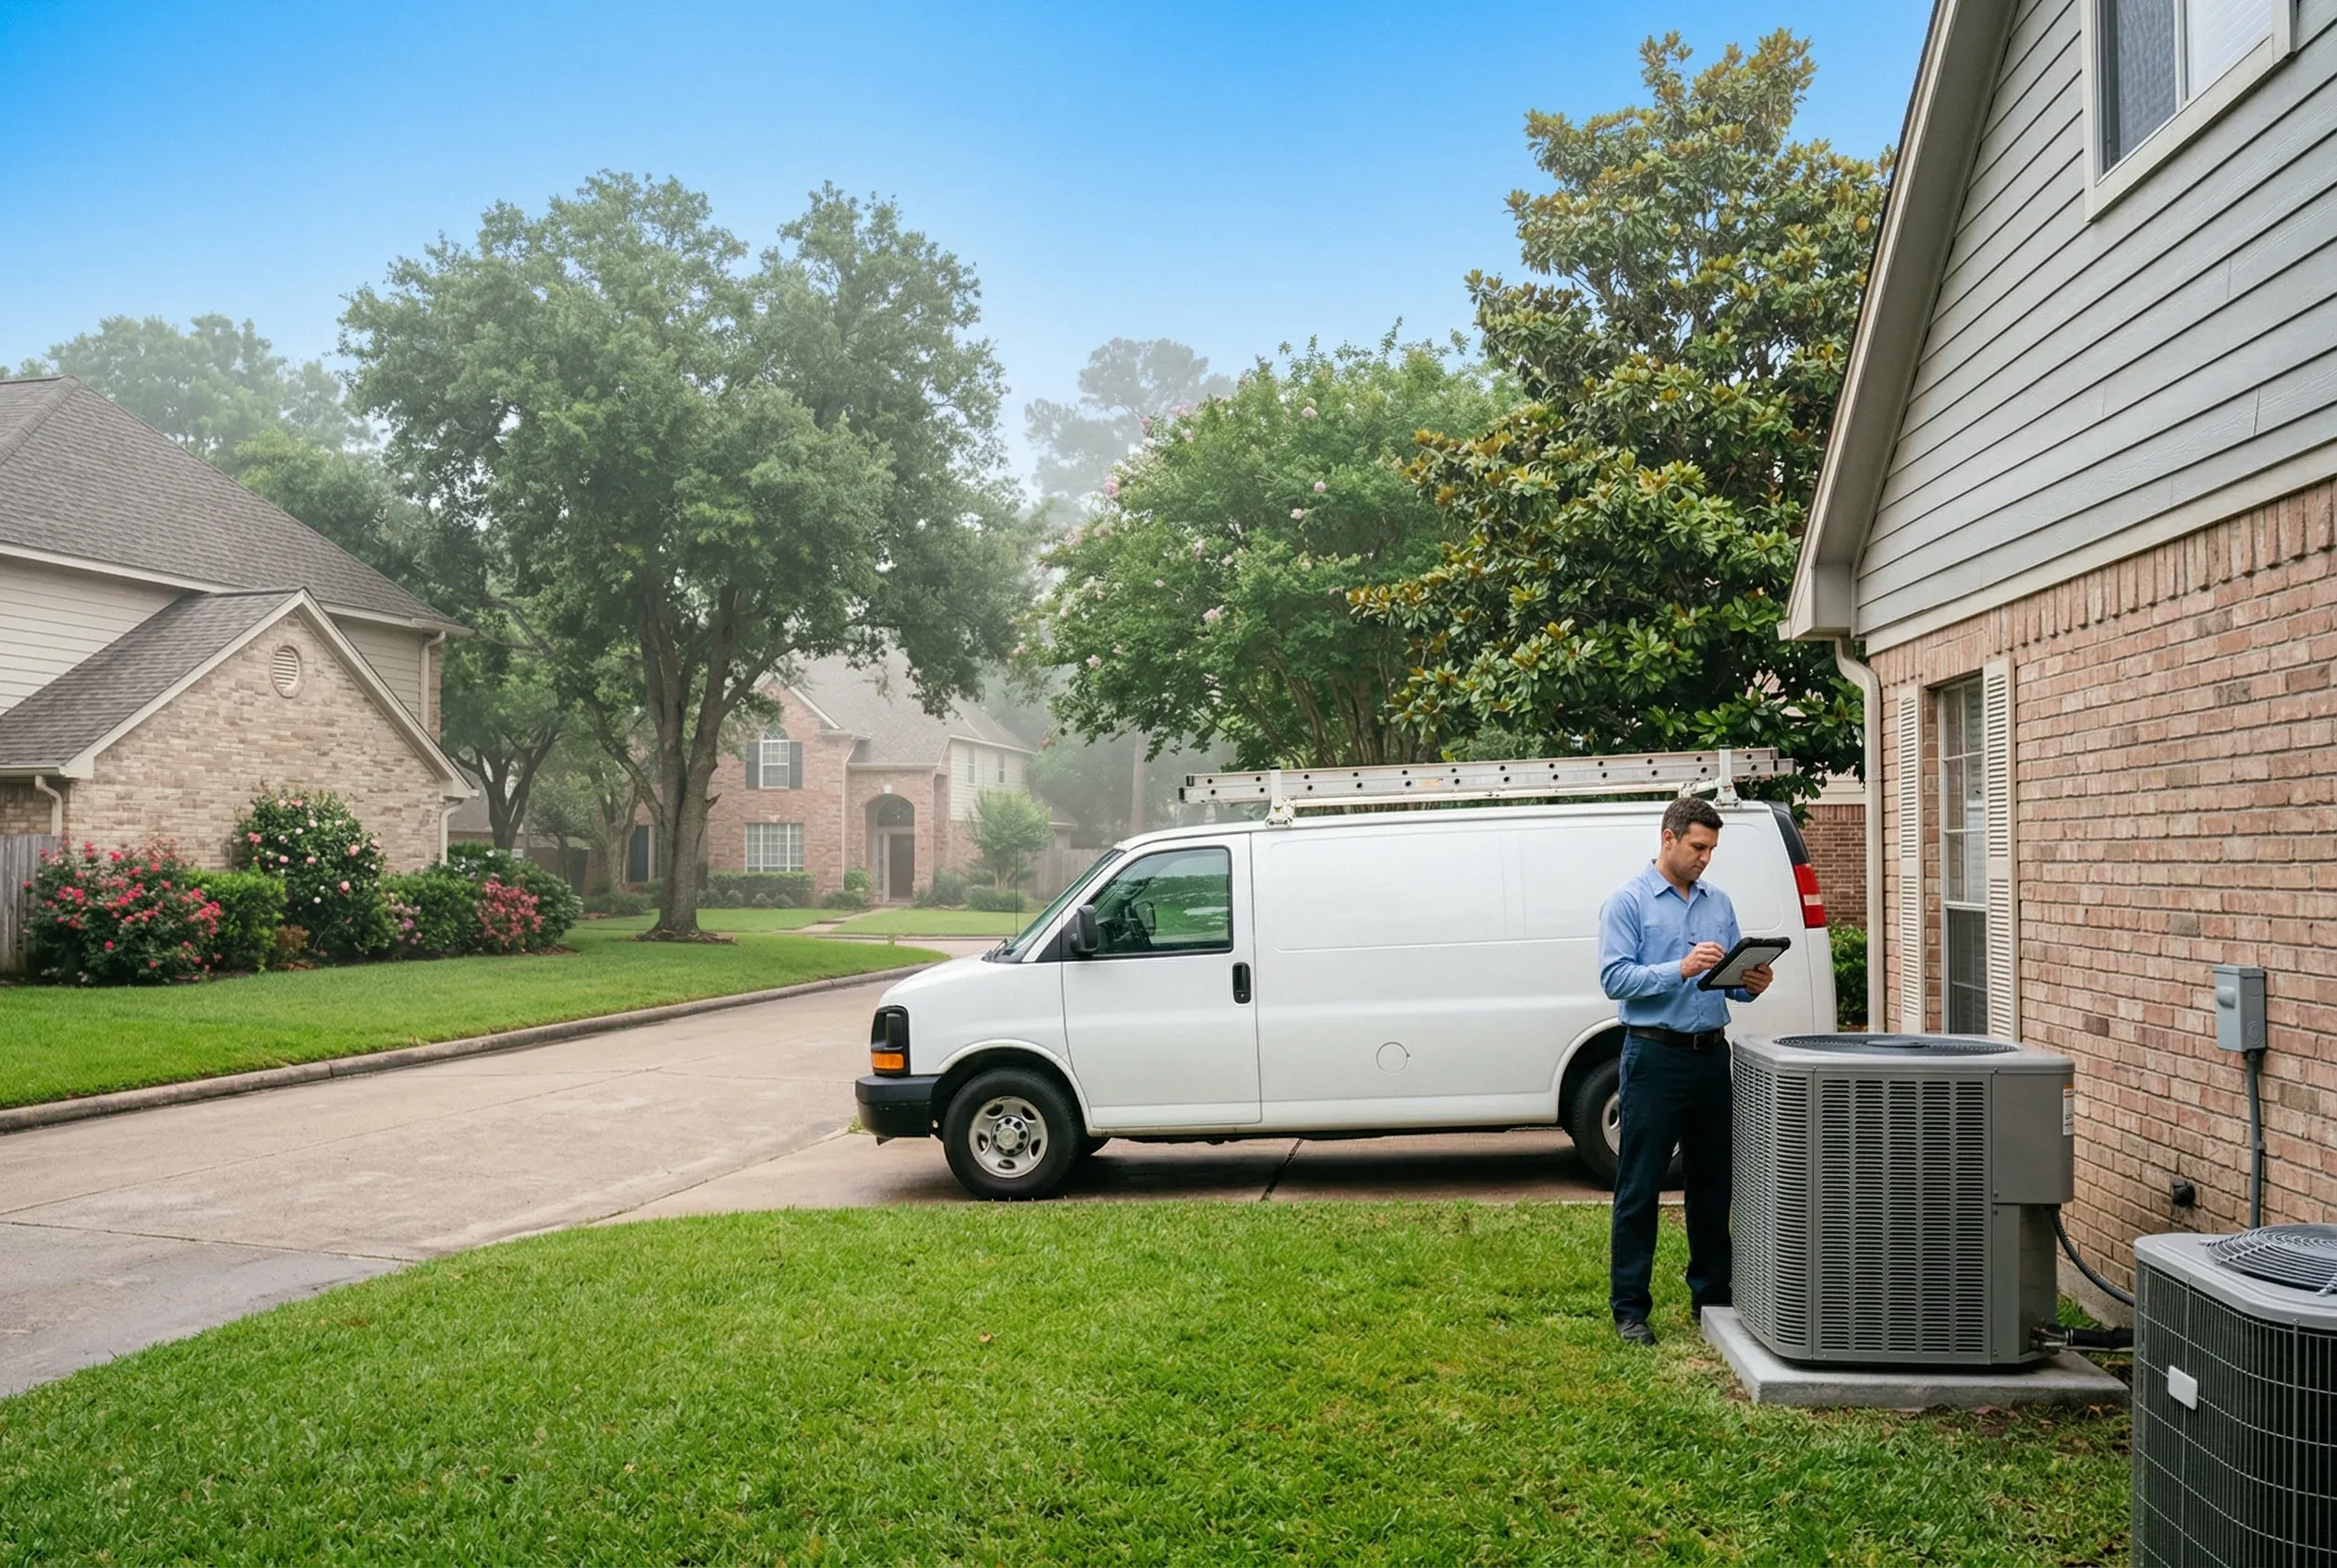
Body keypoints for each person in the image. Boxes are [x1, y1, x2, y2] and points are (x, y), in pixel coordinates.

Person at [1596, 794, 1773, 1345]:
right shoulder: (1627, 903)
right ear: (1668, 838)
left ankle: (1712, 1299)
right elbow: (1615, 980)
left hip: (1711, 1056)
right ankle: (1630, 1309)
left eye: (1712, 849)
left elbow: (1725, 983)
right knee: (1640, 1185)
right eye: (1698, 846)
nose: (1705, 858)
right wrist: (1680, 968)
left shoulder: (1718, 902)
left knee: (1713, 1182)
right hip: (1653, 1057)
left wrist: (1749, 984)